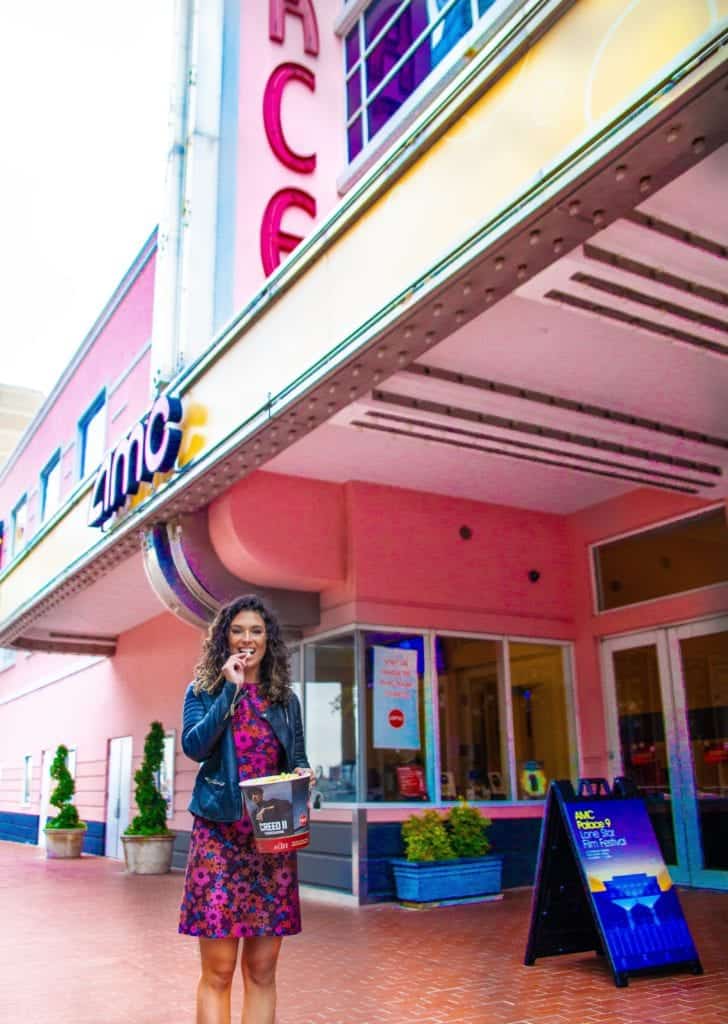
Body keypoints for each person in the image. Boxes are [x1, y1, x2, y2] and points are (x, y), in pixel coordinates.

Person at [179, 594, 313, 1024]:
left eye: (256, 631)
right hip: (218, 839)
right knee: (218, 971)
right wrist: (230, 691)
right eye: (238, 630)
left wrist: (305, 776)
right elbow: (195, 747)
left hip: (270, 842)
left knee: (262, 969)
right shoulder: (202, 691)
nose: (247, 638)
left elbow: (297, 760)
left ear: (268, 640)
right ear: (224, 637)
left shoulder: (285, 700)